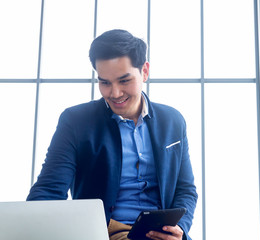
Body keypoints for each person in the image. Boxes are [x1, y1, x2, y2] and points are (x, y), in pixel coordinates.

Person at [27, 29, 198, 240]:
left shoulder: (173, 120)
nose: (114, 93)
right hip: (104, 233)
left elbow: (185, 190)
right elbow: (49, 190)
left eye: (124, 81)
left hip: (160, 234)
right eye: (105, 82)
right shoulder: (76, 121)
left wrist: (178, 228)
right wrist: (34, 225)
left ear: (144, 71)